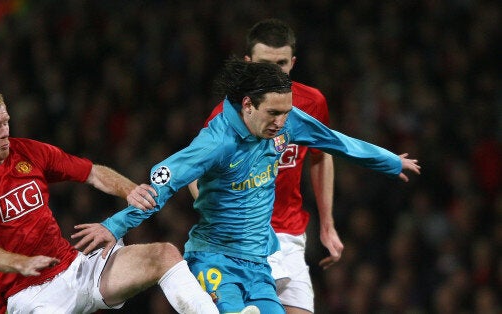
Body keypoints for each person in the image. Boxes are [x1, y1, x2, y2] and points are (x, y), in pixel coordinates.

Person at [73, 59, 421, 314]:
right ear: (248, 105)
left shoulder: (287, 121)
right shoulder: (216, 142)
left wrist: (390, 162)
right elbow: (163, 183)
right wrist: (115, 224)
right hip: (214, 259)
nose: (282, 122)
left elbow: (336, 142)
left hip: (258, 263)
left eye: (286, 112)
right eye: (273, 113)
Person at [0, 88, 218, 314]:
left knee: (164, 254)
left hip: (74, 268)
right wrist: (20, 263)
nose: (5, 131)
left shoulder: (27, 151)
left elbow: (92, 173)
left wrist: (130, 190)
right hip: (26, 296)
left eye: (5, 121)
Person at [188, 18, 339, 314]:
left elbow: (322, 157)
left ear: (293, 62)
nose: (273, 72)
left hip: (291, 232)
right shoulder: (227, 116)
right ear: (247, 62)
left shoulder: (312, 103)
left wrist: (328, 223)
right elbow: (195, 176)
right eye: (263, 64)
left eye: (281, 63)